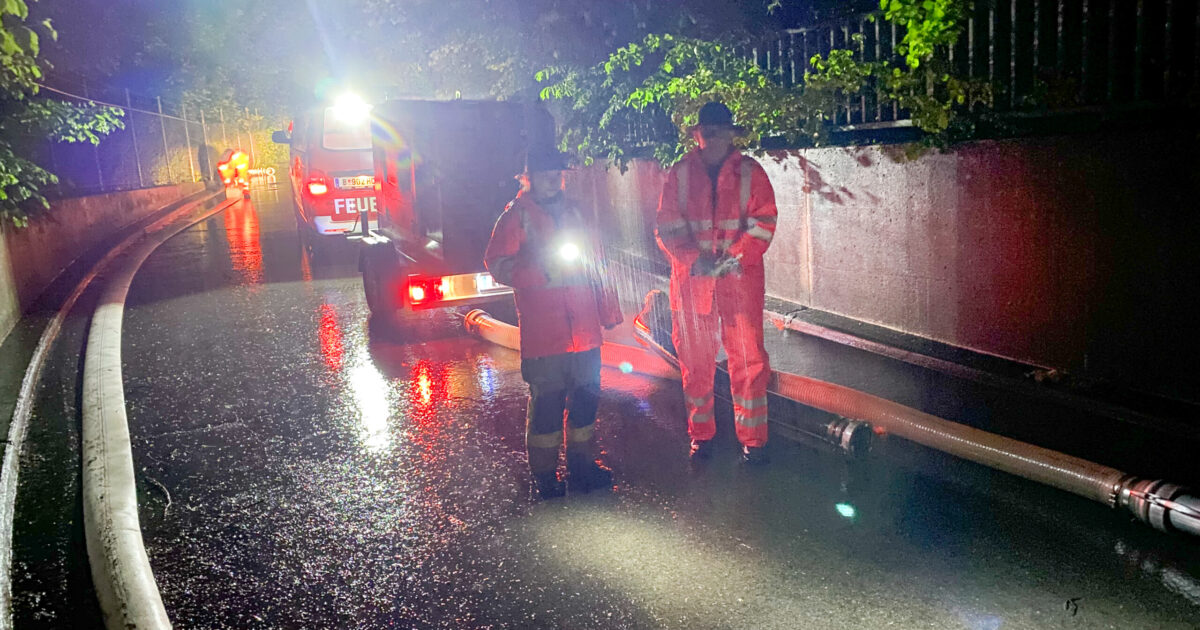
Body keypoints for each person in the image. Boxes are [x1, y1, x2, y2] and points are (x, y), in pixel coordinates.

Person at [484, 149, 623, 499]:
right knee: (547, 406)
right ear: (527, 177)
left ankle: (582, 467)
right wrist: (539, 272)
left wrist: (607, 310)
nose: (552, 178)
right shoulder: (517, 216)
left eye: (556, 172)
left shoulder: (576, 212)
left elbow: (598, 263)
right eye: (545, 172)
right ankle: (545, 476)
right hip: (546, 336)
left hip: (585, 332)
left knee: (586, 401)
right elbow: (497, 263)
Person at [655, 101, 778, 464]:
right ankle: (701, 436)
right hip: (693, 285)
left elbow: (764, 223)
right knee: (695, 364)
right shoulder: (678, 175)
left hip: (738, 284)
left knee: (749, 363)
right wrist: (696, 261)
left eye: (719, 132)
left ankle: (753, 442)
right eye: (707, 132)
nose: (713, 138)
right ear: (697, 135)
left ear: (730, 134)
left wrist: (733, 257)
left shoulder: (751, 173)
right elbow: (666, 228)